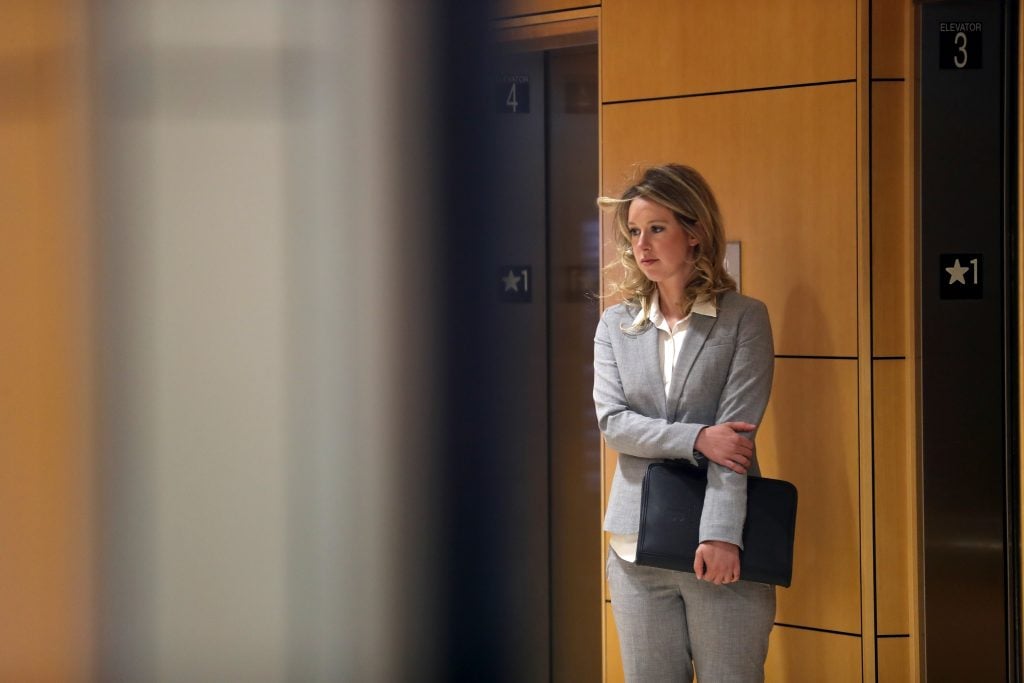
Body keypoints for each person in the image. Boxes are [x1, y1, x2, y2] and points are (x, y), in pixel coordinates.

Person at [594, 163, 775, 682]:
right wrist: (697, 437)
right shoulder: (614, 325)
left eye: (657, 228)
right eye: (633, 231)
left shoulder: (744, 318)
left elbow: (736, 441)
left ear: (694, 233)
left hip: (718, 549)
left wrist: (720, 536)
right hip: (634, 551)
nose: (642, 245)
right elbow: (614, 425)